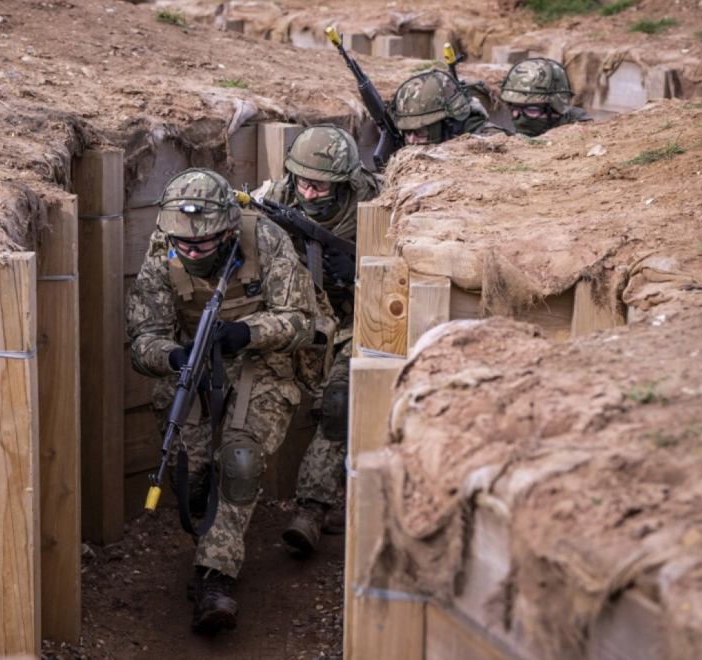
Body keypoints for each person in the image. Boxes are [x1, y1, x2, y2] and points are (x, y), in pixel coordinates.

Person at [126, 168, 316, 633]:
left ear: (229, 230)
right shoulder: (162, 255)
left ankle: (214, 579)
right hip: (193, 366)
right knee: (191, 477)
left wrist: (247, 333)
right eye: (184, 244)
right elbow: (142, 341)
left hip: (261, 362)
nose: (191, 252)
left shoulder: (265, 240)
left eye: (203, 243)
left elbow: (301, 321)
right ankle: (212, 524)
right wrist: (173, 355)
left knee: (239, 462)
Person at [256, 125, 381, 553]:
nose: (309, 193)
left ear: (343, 183)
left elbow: (403, 278)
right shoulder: (276, 198)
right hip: (298, 320)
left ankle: (311, 509)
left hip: (355, 323)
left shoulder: (377, 203)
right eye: (303, 182)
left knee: (337, 402)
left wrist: (361, 271)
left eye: (321, 186)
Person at [390, 68, 511, 145]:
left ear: (450, 124)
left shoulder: (489, 143)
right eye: (407, 132)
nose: (411, 141)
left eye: (420, 132)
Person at [500, 57, 593, 137]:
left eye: (532, 110)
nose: (520, 117)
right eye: (514, 108)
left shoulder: (581, 131)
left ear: (558, 108)